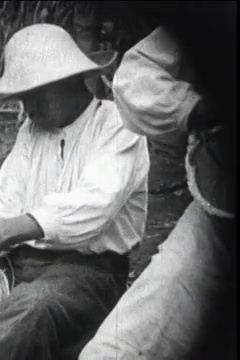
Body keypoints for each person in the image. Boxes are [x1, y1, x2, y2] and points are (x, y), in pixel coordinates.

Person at [0, 23, 150, 359]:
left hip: (87, 273)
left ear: (65, 83)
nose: (27, 108)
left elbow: (92, 209)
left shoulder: (118, 124)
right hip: (20, 263)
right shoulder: (33, 129)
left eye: (31, 95)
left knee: (32, 310)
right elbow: (7, 198)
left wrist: (2, 231)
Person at [79, 23, 236, 360]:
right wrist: (196, 108)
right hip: (220, 213)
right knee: (113, 351)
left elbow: (93, 207)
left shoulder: (107, 129)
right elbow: (136, 75)